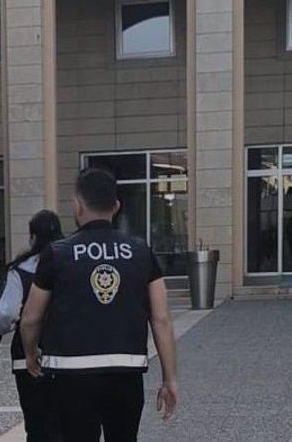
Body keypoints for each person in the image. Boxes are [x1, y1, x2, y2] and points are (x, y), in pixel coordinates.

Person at [20, 169, 179, 442]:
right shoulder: (140, 251)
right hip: (125, 371)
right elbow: (161, 318)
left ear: (77, 205)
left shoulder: (57, 253)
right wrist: (170, 378)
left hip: (71, 374)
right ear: (116, 206)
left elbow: (30, 318)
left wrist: (31, 352)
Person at [0, 210, 64, 442]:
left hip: (27, 357)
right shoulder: (70, 262)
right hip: (67, 355)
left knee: (36, 424)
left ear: (33, 237)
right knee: (66, 425)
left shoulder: (20, 270)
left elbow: (7, 313)